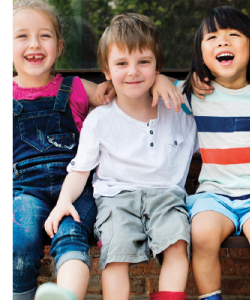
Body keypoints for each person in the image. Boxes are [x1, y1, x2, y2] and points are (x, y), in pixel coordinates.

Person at [44, 13, 197, 300]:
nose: (133, 72)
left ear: (157, 65)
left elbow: (209, 84)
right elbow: (80, 170)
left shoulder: (179, 108)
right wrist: (63, 201)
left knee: (177, 244)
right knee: (115, 256)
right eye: (122, 64)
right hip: (115, 198)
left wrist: (168, 82)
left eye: (144, 62)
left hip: (167, 196)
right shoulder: (100, 119)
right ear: (106, 71)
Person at [175, 6, 250, 300]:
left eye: (233, 35)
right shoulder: (193, 94)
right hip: (215, 193)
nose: (223, 42)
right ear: (200, 54)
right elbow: (153, 86)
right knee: (201, 236)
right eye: (212, 37)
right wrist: (175, 80)